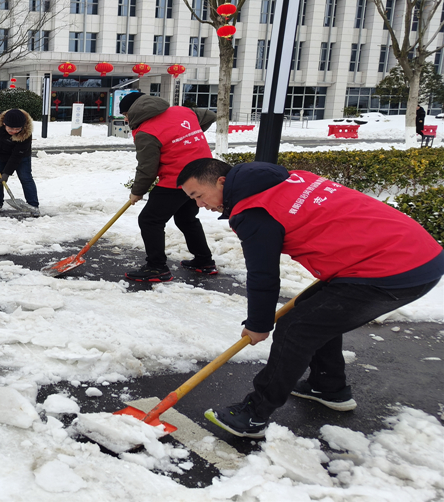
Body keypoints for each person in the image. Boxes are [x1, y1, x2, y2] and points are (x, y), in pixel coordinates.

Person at [177, 158, 444, 439]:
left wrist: (258, 323)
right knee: (314, 312)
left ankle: (253, 415)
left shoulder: (254, 210)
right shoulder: (291, 179)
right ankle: (328, 386)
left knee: (297, 327)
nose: (199, 205)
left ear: (221, 182)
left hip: (391, 269)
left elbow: (263, 274)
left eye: (198, 195)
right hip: (413, 252)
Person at [119, 91, 216, 282]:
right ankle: (204, 261)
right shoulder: (182, 111)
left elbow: (147, 168)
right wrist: (185, 139)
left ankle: (157, 268)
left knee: (150, 220)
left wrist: (137, 192)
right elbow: (210, 115)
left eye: (125, 115)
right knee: (186, 217)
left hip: (177, 178)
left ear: (133, 111)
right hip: (203, 172)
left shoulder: (146, 131)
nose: (126, 119)